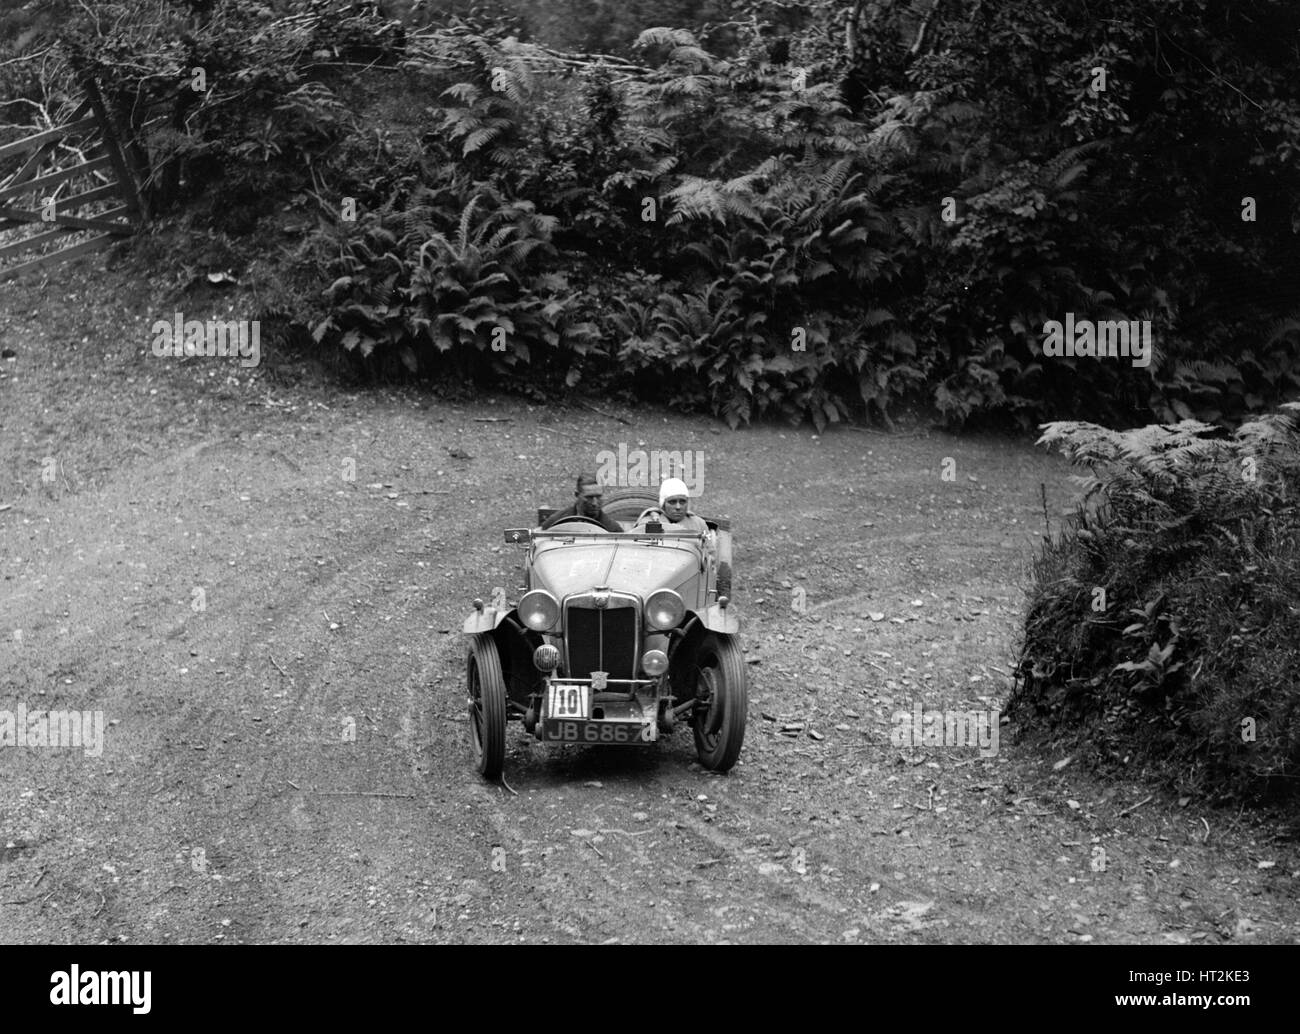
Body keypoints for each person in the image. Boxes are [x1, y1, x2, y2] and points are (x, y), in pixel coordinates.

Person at [541, 474, 623, 532]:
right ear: (577, 495)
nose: (594, 503)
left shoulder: (612, 529)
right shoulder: (556, 521)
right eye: (589, 498)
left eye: (598, 497)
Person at [635, 477, 710, 535]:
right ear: (663, 504)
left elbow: (710, 552)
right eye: (672, 502)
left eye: (682, 501)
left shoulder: (699, 524)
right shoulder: (647, 523)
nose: (678, 507)